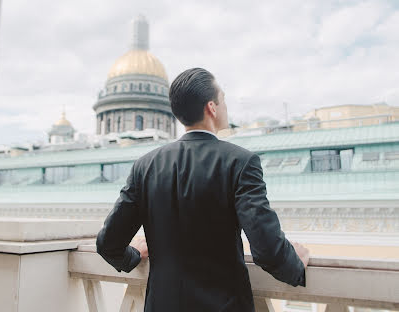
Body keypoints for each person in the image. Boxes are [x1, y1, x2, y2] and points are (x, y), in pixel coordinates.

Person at [96, 68, 310, 311]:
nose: (226, 106)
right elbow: (266, 249)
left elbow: (108, 244)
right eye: (224, 99)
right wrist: (295, 265)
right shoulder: (241, 162)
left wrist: (133, 256)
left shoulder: (145, 166)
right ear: (212, 107)